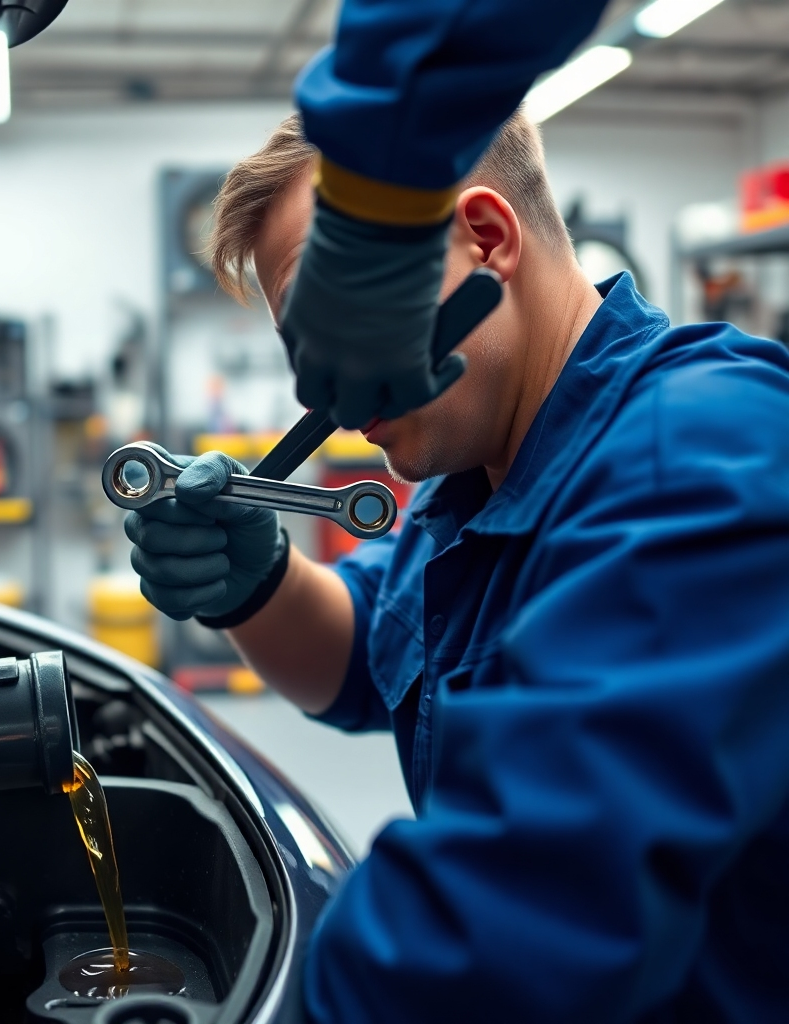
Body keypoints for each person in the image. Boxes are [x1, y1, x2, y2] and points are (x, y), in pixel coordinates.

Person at [125, 111, 789, 1023]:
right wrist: (256, 583)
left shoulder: (699, 464)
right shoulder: (481, 467)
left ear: (486, 242)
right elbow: (363, 656)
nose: (318, 391)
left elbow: (514, 927)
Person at [281, 0, 612, 428]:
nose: (333, 385)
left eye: (337, 323)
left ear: (487, 240)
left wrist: (368, 203)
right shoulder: (468, 481)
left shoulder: (677, 446)